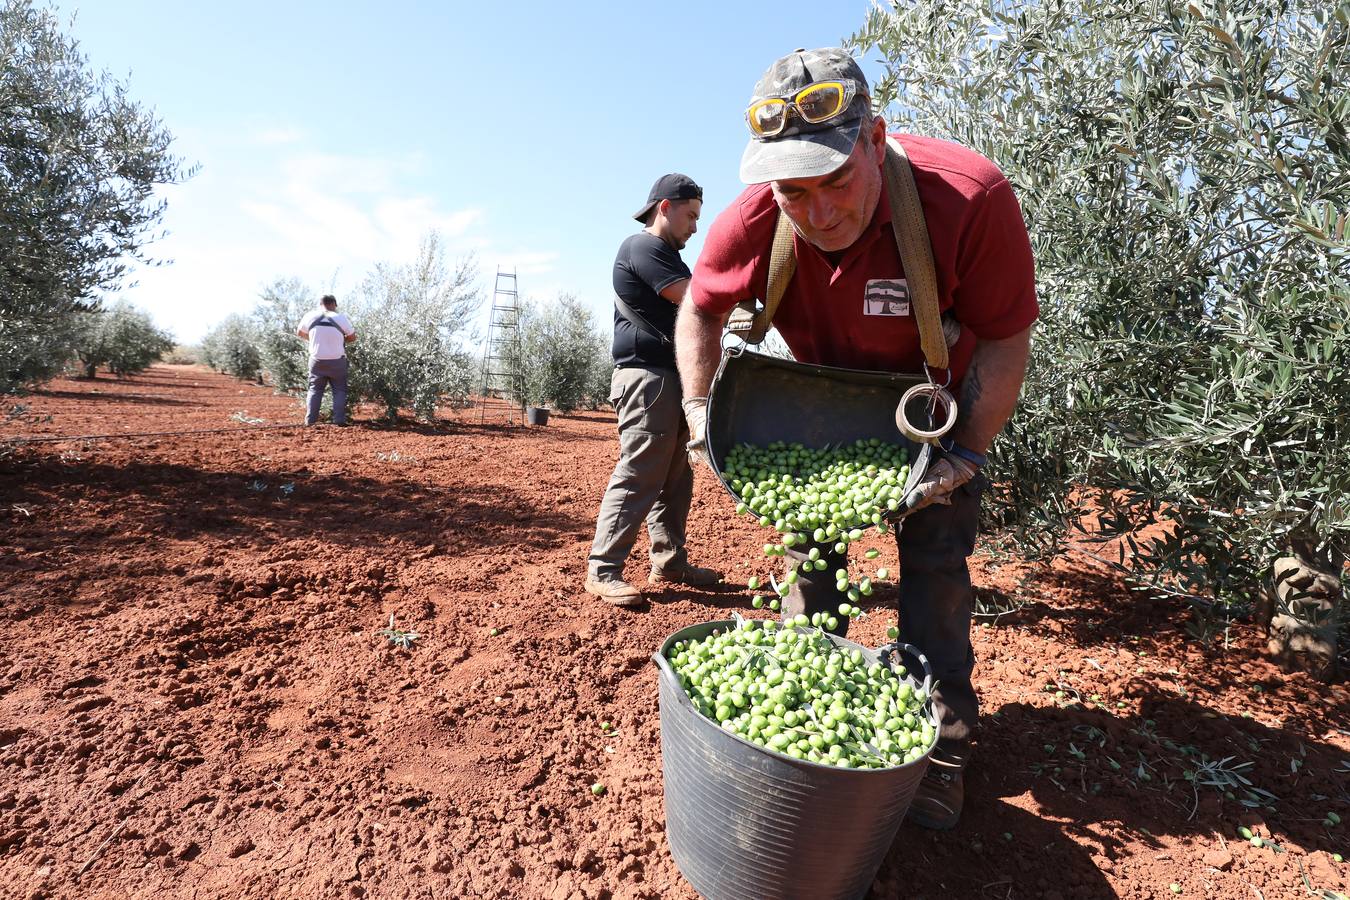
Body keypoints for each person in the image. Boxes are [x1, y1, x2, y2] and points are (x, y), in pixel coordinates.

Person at [675, 48, 1037, 830]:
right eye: (792, 191)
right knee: (812, 565)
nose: (816, 211)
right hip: (818, 422)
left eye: (834, 181)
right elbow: (700, 307)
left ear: (875, 140)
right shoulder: (757, 217)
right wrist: (700, 414)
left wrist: (966, 452)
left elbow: (1006, 338)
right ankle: (804, 714)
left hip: (928, 418)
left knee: (935, 570)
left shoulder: (968, 199)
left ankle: (942, 751)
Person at [585, 174, 724, 606]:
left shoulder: (667, 255)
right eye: (691, 215)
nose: (696, 227)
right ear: (665, 207)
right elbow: (692, 298)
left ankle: (669, 560)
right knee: (642, 470)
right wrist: (738, 295)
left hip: (671, 380)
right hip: (647, 380)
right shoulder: (643, 247)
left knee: (675, 478)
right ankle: (603, 568)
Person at [296, 294, 356, 426]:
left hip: (317, 360)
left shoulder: (310, 316)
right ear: (334, 304)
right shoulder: (340, 317)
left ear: (320, 304)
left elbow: (300, 333)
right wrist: (341, 340)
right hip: (337, 361)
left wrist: (313, 339)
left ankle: (310, 421)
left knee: (315, 390)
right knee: (339, 390)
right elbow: (352, 337)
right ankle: (339, 421)